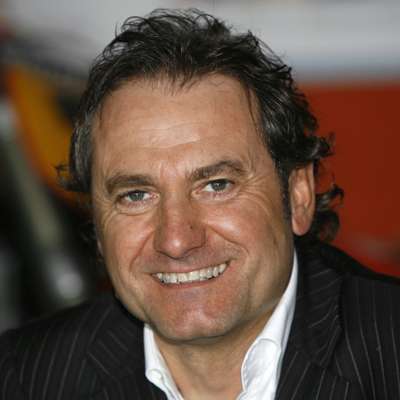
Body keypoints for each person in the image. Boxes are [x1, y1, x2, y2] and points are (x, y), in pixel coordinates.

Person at [1, 9, 399, 400]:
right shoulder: (23, 379)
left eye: (216, 185)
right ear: (98, 223)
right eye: (136, 195)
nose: (176, 240)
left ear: (298, 195)